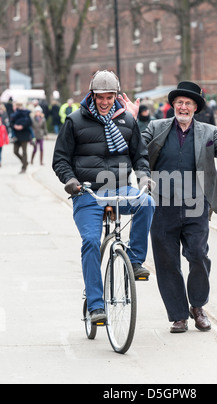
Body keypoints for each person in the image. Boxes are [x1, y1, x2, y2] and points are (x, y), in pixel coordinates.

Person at [142, 81, 217, 333]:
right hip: (162, 204)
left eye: (188, 103)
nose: (183, 107)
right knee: (166, 261)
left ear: (195, 108)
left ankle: (198, 306)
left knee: (198, 255)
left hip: (196, 204)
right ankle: (178, 315)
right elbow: (136, 149)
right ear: (173, 105)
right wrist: (130, 119)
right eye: (179, 102)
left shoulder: (208, 131)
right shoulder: (156, 127)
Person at [52, 70, 155, 323]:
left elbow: (139, 156)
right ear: (92, 95)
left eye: (110, 97)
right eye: (101, 97)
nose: (105, 101)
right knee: (90, 242)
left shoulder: (127, 122)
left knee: (147, 202)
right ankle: (96, 305)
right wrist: (71, 181)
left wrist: (143, 176)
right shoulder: (75, 121)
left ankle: (134, 259)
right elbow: (60, 159)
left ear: (116, 96)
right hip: (87, 192)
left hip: (120, 189)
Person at [11, 101, 33, 174]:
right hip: (16, 135)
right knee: (15, 151)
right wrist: (15, 126)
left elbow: (29, 122)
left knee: (24, 152)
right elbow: (11, 123)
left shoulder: (26, 113)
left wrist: (22, 126)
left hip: (24, 135)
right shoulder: (14, 115)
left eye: (14, 106)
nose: (13, 107)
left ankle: (24, 167)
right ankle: (25, 162)